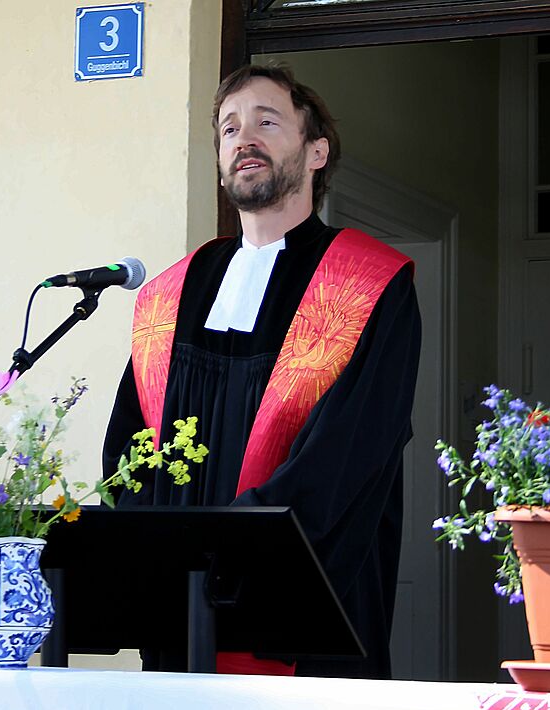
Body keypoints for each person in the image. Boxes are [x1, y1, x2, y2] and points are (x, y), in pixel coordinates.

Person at [103, 63, 421, 678]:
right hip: (182, 610)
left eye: (266, 121)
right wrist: (159, 559)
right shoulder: (174, 292)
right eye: (228, 129)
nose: (243, 138)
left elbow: (354, 445)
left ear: (316, 150)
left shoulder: (370, 283)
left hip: (302, 609)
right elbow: (129, 446)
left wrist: (237, 548)